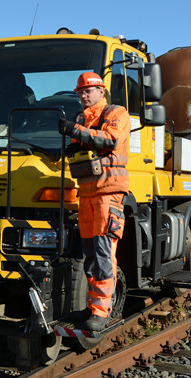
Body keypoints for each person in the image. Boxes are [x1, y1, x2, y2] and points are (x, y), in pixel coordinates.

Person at [58, 72, 131, 331]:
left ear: (102, 91)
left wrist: (74, 130)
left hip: (108, 193)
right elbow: (83, 149)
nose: (84, 95)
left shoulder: (115, 113)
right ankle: (92, 307)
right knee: (90, 252)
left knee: (102, 252)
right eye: (81, 91)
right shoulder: (81, 119)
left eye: (89, 90)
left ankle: (101, 311)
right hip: (87, 193)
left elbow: (109, 139)